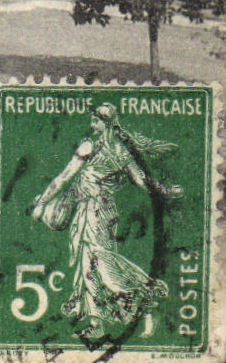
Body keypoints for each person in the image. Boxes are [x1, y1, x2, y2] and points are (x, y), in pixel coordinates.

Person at [29, 104, 180, 340]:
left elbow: (65, 177)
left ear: (108, 123)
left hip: (96, 212)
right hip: (98, 212)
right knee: (90, 265)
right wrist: (164, 191)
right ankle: (97, 322)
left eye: (97, 121)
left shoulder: (101, 148)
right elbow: (142, 182)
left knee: (100, 265)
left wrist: (41, 203)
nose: (92, 125)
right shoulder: (119, 151)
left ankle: (146, 299)